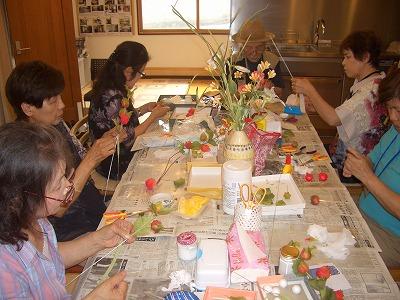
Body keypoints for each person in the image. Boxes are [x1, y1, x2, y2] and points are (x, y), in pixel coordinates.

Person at [0, 121, 134, 299]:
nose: (68, 185)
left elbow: (51, 258)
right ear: (19, 197)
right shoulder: (5, 267)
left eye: (64, 175)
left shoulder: (36, 219)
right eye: (57, 185)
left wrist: (98, 239)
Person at [5, 61, 123, 241]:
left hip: (92, 207)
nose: (61, 105)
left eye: (59, 97)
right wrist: (91, 159)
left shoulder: (56, 125)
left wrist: (101, 145)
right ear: (27, 108)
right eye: (53, 101)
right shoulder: (24, 151)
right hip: (70, 231)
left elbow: (81, 162)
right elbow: (60, 208)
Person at [292, 31, 388, 177]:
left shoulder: (370, 92)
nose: (343, 62)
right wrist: (317, 107)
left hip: (351, 167)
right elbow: (347, 117)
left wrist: (310, 90)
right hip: (341, 152)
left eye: (348, 57)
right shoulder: (368, 82)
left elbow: (334, 118)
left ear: (366, 57)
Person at [343, 66, 400, 267]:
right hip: (365, 207)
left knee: (340, 260)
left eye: (399, 110)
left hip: (391, 236)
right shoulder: (396, 130)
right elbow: (373, 160)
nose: (392, 117)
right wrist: (360, 163)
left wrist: (367, 177)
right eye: (390, 109)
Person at [89, 41, 170, 180]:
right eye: (140, 73)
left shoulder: (112, 85)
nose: (140, 77)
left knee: (163, 147)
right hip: (114, 162)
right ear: (128, 71)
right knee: (164, 162)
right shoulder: (113, 96)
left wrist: (144, 109)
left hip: (115, 154)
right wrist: (152, 118)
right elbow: (126, 136)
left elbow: (120, 120)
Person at [231, 19, 285, 98]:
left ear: (265, 45)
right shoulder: (233, 62)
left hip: (265, 107)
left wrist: (271, 87)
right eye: (249, 47)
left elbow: (280, 91)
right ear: (242, 46)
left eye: (259, 47)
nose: (254, 52)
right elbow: (225, 92)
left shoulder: (273, 61)